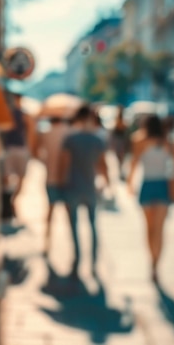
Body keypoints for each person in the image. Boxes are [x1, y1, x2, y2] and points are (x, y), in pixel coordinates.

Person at [57, 105, 109, 278]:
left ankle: (77, 260)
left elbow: (64, 164)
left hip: (72, 186)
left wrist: (61, 183)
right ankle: (93, 263)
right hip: (90, 188)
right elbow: (103, 165)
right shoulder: (97, 140)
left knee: (74, 226)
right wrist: (107, 183)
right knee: (93, 226)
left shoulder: (70, 139)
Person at [127, 114, 174, 283]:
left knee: (149, 228)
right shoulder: (167, 142)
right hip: (162, 185)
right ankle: (156, 263)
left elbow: (133, 163)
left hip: (147, 185)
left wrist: (129, 184)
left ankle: (152, 262)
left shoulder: (139, 141)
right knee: (160, 229)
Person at [36, 116, 70, 257]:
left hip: (50, 177)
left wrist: (46, 161)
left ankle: (46, 243)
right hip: (68, 179)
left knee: (49, 213)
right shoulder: (70, 132)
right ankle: (73, 248)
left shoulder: (46, 133)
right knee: (70, 216)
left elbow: (35, 152)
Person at [0, 91, 36, 222]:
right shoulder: (9, 113)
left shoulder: (23, 115)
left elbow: (31, 132)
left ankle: (11, 202)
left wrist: (30, 150)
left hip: (19, 149)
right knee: (7, 179)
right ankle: (7, 205)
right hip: (10, 149)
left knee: (19, 180)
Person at [110, 105, 129, 179]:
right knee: (121, 158)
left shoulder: (118, 121)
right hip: (121, 141)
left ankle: (121, 171)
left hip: (120, 141)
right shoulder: (120, 121)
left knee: (120, 159)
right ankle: (121, 171)